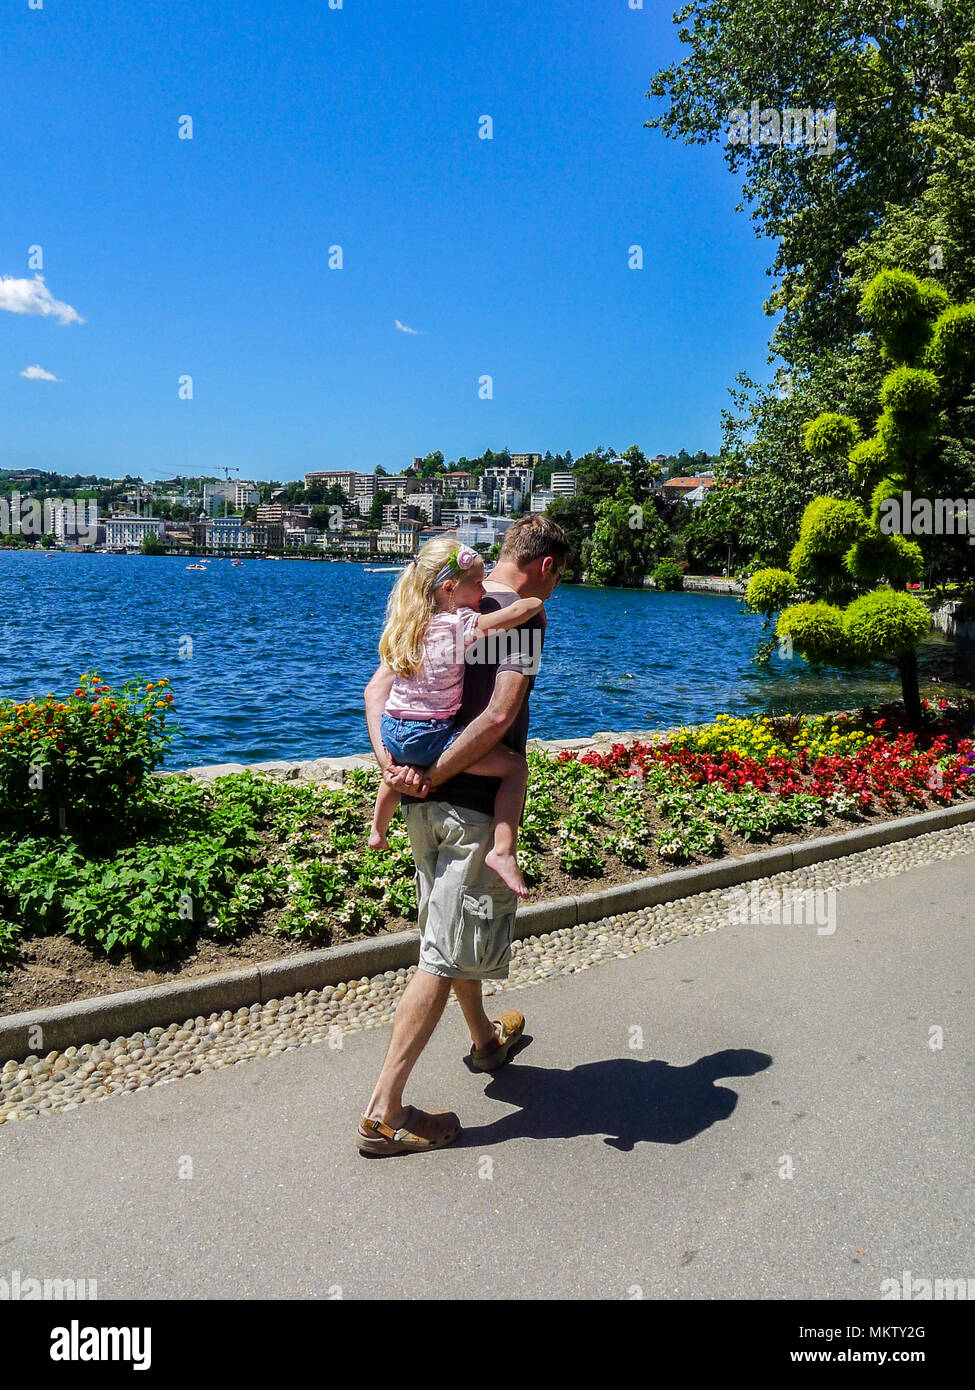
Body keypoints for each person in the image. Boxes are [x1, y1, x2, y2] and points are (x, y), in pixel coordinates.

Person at [356, 514, 569, 1156]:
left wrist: (395, 772)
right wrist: (438, 773)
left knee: (446, 933)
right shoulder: (522, 616)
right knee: (441, 956)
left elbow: (377, 690)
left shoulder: (429, 605)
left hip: (421, 808)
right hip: (468, 810)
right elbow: (502, 714)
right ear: (549, 567)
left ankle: (484, 1041)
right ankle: (384, 1112)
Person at [368, 533, 543, 899]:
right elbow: (498, 712)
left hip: (394, 733)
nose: (483, 590)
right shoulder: (459, 622)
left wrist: (391, 764)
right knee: (515, 769)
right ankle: (504, 850)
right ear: (449, 588)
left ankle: (378, 831)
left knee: (392, 778)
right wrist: (534, 607)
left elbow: (373, 692)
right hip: (431, 738)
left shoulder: (408, 625)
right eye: (477, 583)